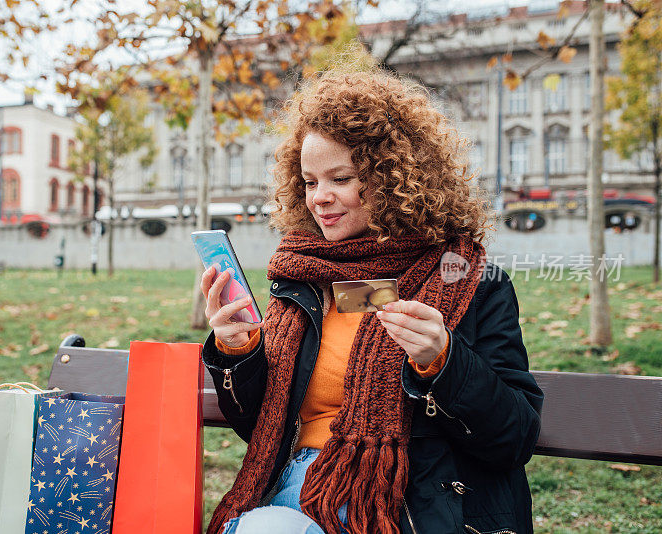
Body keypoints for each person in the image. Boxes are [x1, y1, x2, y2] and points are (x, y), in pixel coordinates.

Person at [199, 68, 544, 534]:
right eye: (308, 182)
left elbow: (514, 437)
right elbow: (258, 425)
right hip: (289, 490)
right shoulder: (303, 277)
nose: (320, 198)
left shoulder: (470, 282)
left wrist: (442, 360)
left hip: (400, 508)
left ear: (396, 177)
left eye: (340, 178)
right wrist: (236, 351)